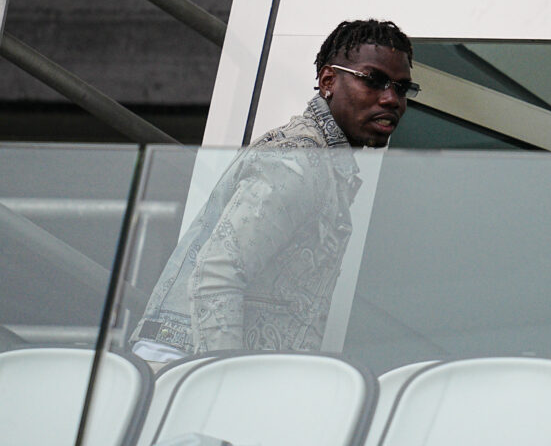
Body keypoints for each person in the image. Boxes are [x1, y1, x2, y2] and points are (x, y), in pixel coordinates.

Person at [130, 19, 419, 365]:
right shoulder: (298, 161)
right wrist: (221, 380)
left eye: (403, 89)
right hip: (187, 370)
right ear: (328, 81)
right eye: (374, 80)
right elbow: (216, 273)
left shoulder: (324, 163)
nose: (391, 99)